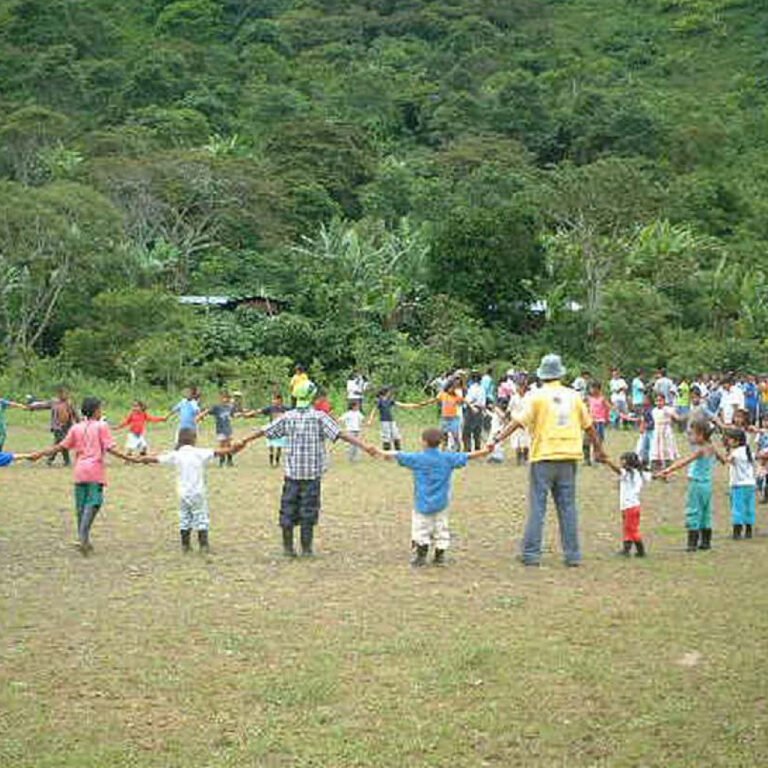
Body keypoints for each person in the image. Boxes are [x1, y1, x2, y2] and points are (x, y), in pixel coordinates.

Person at [489, 353, 605, 567]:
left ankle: (531, 553)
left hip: (543, 456)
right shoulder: (574, 396)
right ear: (560, 373)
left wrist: (497, 439)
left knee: (538, 507)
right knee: (568, 507)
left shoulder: (536, 396)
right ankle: (573, 555)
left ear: (542, 375)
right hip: (569, 457)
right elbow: (589, 426)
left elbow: (517, 422)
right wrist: (599, 450)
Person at [248, 381, 373, 558]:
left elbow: (264, 431)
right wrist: (365, 446)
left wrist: (243, 441)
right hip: (312, 476)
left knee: (287, 510)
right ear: (312, 397)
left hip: (292, 476)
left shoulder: (286, 417)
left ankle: (288, 548)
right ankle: (306, 550)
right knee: (309, 510)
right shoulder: (320, 417)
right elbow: (341, 434)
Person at [30, 396, 134, 555]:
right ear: (96, 410)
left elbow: (60, 446)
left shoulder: (76, 428)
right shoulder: (101, 426)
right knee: (94, 503)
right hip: (94, 472)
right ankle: (82, 537)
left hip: (79, 471)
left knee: (81, 507)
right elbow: (110, 448)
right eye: (100, 408)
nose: (101, 411)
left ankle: (84, 542)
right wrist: (130, 458)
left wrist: (40, 453)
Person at [372, 427, 490, 566]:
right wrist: (485, 451)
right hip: (441, 502)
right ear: (441, 442)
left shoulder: (417, 458)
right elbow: (467, 456)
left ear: (424, 442)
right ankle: (439, 557)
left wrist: (379, 451)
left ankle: (421, 556)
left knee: (420, 529)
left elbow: (398, 454)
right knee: (441, 529)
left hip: (422, 502)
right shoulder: (447, 458)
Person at [133, 428, 253, 553]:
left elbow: (154, 459)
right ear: (194, 439)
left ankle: (185, 545)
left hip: (182, 492)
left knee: (184, 517)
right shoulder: (199, 453)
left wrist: (136, 459)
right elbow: (226, 451)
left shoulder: (176, 454)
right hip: (197, 491)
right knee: (201, 516)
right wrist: (241, 446)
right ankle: (203, 545)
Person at [655, 419, 726, 552]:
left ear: (701, 434)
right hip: (707, 485)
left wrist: (666, 470)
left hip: (696, 484)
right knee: (706, 512)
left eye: (692, 434)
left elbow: (683, 462)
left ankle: (692, 544)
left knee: (693, 511)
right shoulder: (712, 447)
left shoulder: (700, 450)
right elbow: (722, 460)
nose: (690, 437)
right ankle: (705, 542)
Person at [603, 451, 651, 557]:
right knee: (627, 528)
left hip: (630, 507)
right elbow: (651, 476)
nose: (620, 462)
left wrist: (608, 461)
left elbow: (617, 470)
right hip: (629, 506)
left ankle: (641, 551)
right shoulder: (640, 473)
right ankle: (626, 550)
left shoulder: (628, 473)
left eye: (622, 460)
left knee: (632, 530)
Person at [29, 386, 79, 466]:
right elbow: (43, 405)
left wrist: (79, 423)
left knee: (60, 443)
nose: (63, 395)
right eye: (61, 393)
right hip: (57, 427)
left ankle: (53, 459)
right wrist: (33, 406)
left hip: (66, 427)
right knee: (62, 443)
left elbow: (75, 414)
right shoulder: (54, 402)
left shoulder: (69, 403)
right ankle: (60, 460)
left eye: (65, 393)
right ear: (58, 394)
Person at [366, 386, 423, 451]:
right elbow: (374, 410)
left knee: (396, 435)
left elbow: (401, 404)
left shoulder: (390, 400)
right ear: (386, 393)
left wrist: (414, 405)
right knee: (386, 437)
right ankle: (387, 454)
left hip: (391, 420)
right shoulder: (379, 401)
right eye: (389, 392)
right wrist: (370, 420)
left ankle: (398, 452)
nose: (390, 393)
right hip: (384, 421)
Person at [724, 429, 756, 540]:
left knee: (737, 507)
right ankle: (749, 530)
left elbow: (727, 460)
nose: (728, 441)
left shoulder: (736, 452)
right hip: (750, 484)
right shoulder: (747, 451)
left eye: (730, 439)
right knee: (749, 507)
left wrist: (726, 453)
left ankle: (737, 532)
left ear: (737, 441)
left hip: (738, 485)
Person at [197, 391, 237, 467]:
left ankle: (229, 460)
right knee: (222, 445)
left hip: (228, 429)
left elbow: (233, 415)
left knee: (228, 445)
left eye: (227, 398)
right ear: (221, 399)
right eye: (224, 398)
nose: (225, 400)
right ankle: (221, 461)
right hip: (220, 429)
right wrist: (201, 416)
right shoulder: (217, 407)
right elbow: (208, 411)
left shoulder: (230, 407)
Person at [255, 393, 287, 468]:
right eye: (273, 399)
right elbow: (260, 411)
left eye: (276, 399)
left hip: (280, 430)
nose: (274, 401)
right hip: (271, 429)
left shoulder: (285, 408)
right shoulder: (270, 408)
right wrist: (248, 413)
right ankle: (271, 462)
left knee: (279, 446)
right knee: (271, 446)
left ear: (280, 400)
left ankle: (277, 461)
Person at [649, 394, 680, 471]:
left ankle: (668, 467)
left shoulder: (668, 409)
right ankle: (656, 467)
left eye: (660, 401)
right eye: (657, 401)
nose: (659, 403)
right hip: (657, 431)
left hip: (666, 431)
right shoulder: (654, 410)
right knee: (656, 448)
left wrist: (672, 414)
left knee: (666, 448)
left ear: (664, 401)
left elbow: (676, 417)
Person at [585, 382, 610, 465]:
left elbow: (607, 408)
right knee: (587, 440)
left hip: (600, 421)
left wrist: (607, 418)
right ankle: (587, 459)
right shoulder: (589, 399)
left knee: (598, 440)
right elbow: (585, 408)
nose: (592, 390)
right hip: (591, 421)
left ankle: (597, 456)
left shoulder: (602, 399)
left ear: (598, 389)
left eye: (593, 388)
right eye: (591, 388)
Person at [462, 372, 487, 452]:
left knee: (466, 431)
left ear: (473, 379)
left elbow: (469, 400)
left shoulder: (472, 388)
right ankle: (477, 449)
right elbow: (483, 403)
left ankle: (467, 450)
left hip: (471, 410)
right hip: (480, 410)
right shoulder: (482, 389)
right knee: (477, 432)